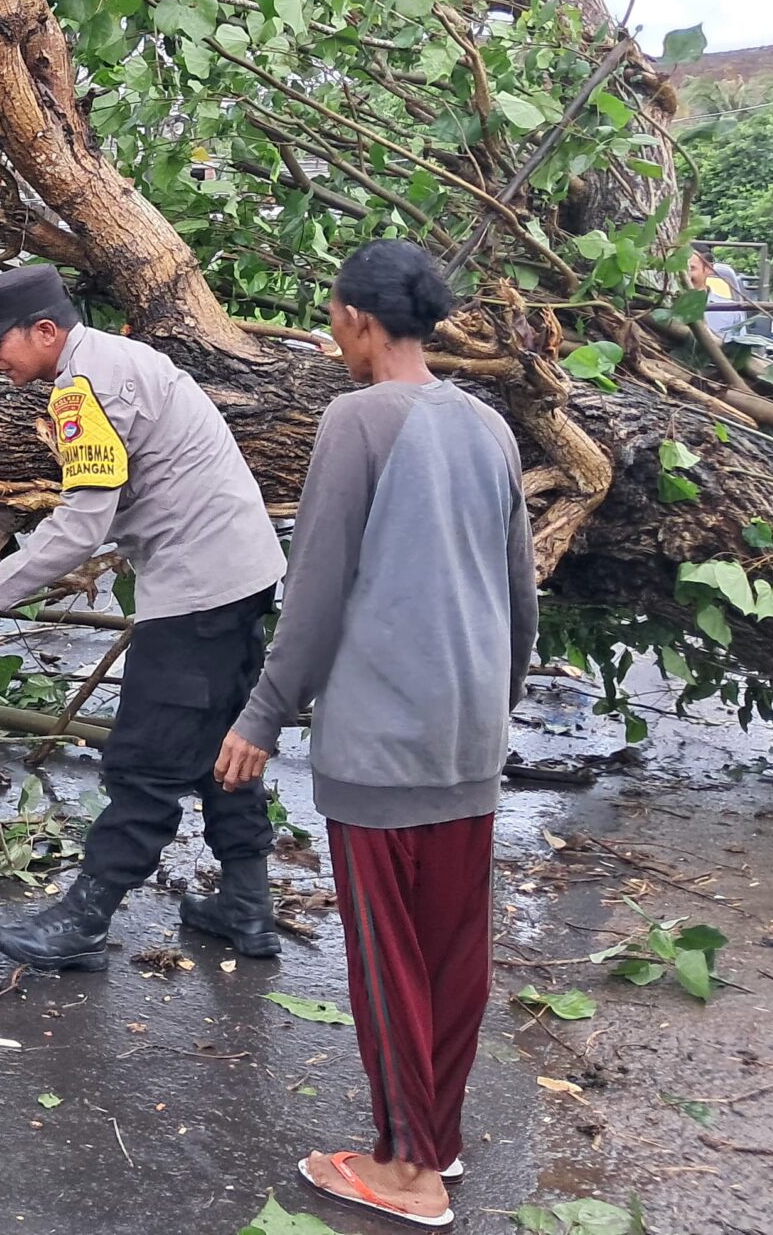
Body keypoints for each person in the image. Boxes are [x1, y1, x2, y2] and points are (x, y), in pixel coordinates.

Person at [215, 240, 535, 1231]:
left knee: (387, 959)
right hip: (468, 740)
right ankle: (433, 1137)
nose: (331, 337)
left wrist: (262, 713)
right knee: (451, 956)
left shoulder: (354, 422)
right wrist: (493, 702)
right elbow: (521, 597)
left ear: (356, 318)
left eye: (332, 319)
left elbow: (312, 592)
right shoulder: (487, 426)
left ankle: (402, 1171)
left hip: (382, 744)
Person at [0, 263, 287, 972]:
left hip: (199, 593)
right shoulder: (121, 361)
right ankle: (246, 906)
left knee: (146, 761)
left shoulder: (81, 388)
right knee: (223, 744)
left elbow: (81, 526)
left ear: (44, 330)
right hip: (241, 579)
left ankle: (84, 919)